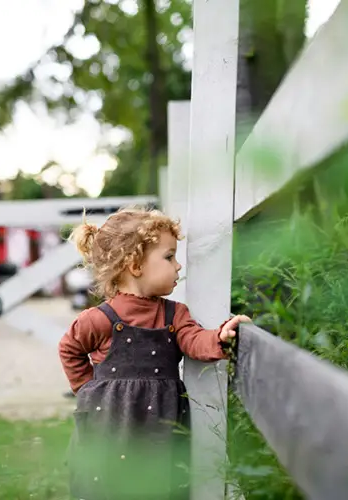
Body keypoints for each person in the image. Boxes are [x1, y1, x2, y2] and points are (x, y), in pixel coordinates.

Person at [58, 206, 250, 500]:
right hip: (109, 424)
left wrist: (221, 338)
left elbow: (195, 340)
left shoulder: (174, 314)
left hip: (161, 427)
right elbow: (69, 348)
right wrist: (87, 390)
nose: (178, 266)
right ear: (136, 264)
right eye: (169, 256)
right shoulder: (100, 318)